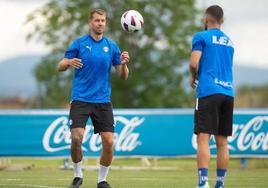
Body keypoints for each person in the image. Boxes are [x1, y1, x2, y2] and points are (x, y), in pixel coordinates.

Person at [58, 9, 130, 188]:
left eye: (103, 20)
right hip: (81, 98)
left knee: (109, 141)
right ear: (90, 23)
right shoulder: (79, 43)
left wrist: (124, 63)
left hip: (103, 101)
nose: (100, 23)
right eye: (97, 20)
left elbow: (123, 75)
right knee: (77, 138)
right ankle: (77, 175)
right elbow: (60, 66)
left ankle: (102, 180)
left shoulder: (112, 46)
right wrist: (68, 62)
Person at [189, 5, 234, 188]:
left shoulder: (201, 36)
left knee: (203, 138)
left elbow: (193, 63)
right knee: (222, 142)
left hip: (209, 91)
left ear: (205, 20)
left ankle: (202, 183)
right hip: (228, 92)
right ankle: (220, 184)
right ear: (222, 21)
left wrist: (193, 77)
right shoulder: (230, 42)